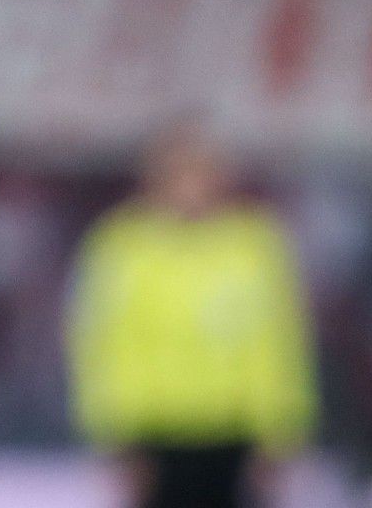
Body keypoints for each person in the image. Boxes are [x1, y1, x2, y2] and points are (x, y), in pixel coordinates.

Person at [67, 119, 318, 508]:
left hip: (236, 435)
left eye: (200, 171)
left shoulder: (253, 247)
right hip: (154, 435)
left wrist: (282, 429)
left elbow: (278, 344)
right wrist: (114, 436)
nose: (191, 185)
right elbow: (102, 346)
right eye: (179, 171)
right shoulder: (122, 247)